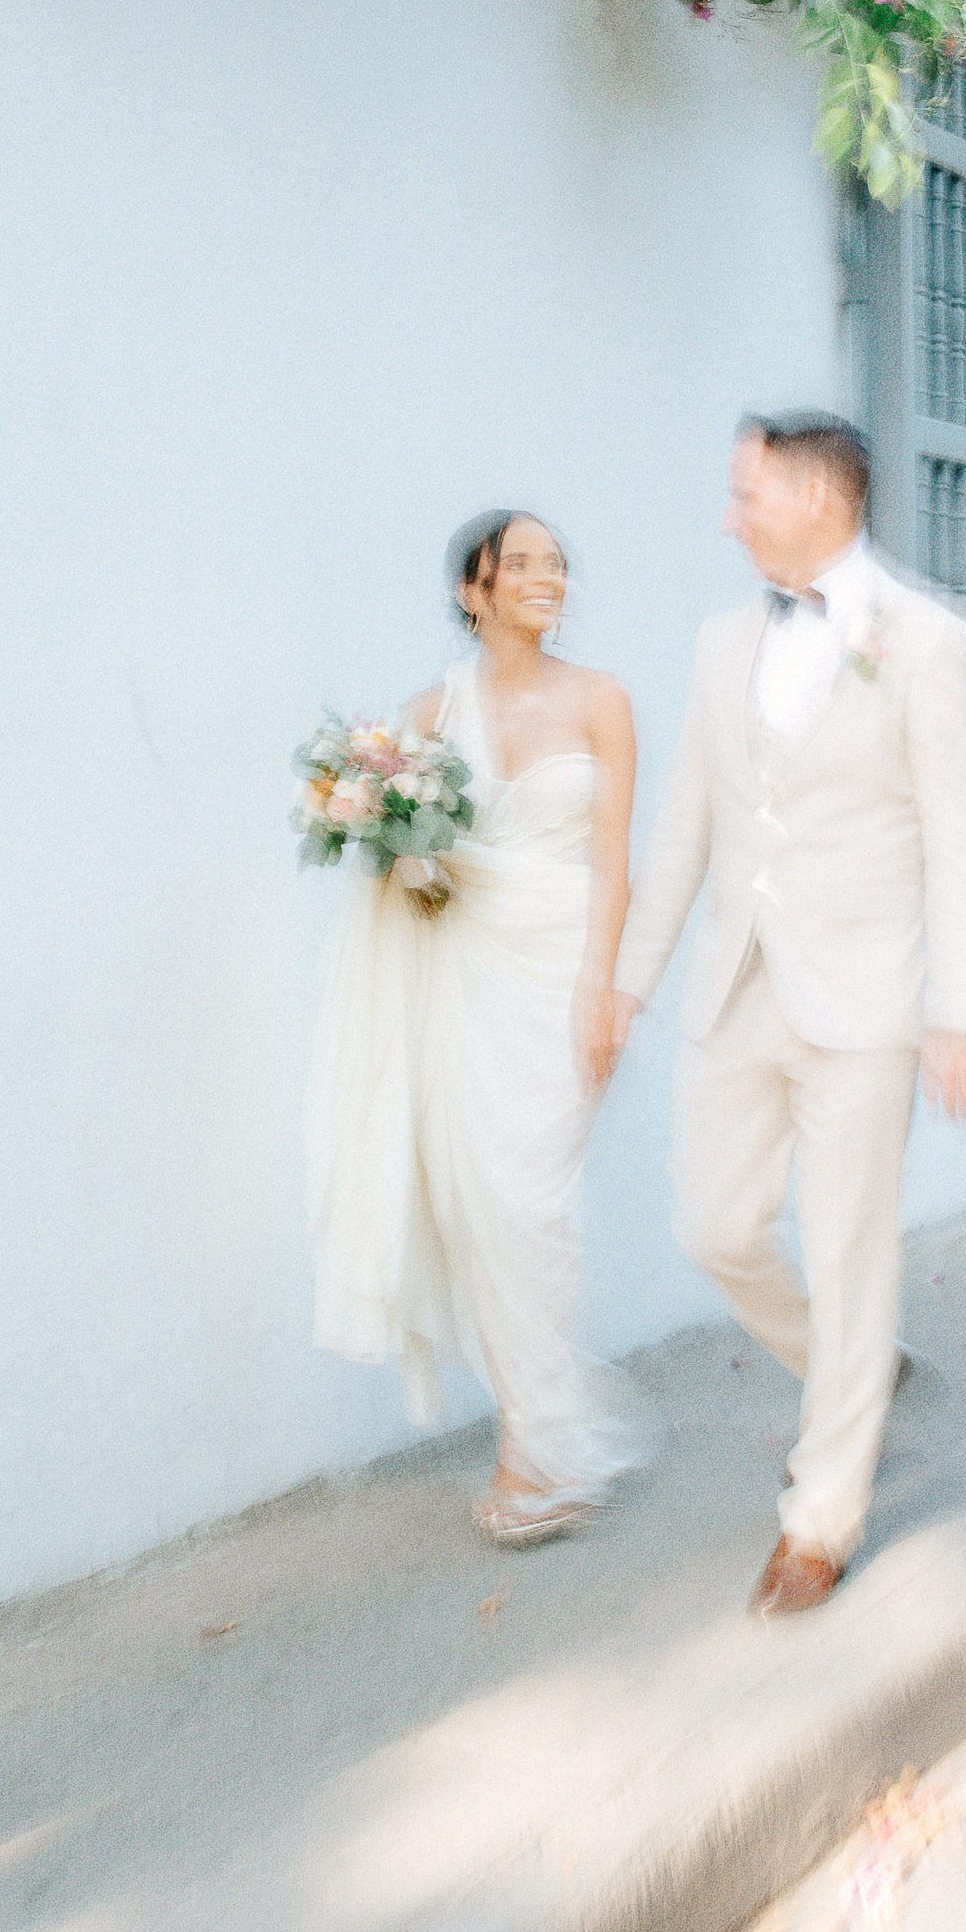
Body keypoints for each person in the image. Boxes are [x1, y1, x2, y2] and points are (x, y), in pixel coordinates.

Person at [611, 413, 966, 1616]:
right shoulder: (721, 641)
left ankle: (821, 1511)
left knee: (844, 1247)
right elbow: (684, 823)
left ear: (823, 495)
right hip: (738, 986)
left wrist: (959, 1011)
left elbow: (959, 841)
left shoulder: (927, 644)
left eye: (748, 495)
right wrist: (627, 979)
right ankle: (852, 1376)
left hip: (866, 1000)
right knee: (711, 1226)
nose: (729, 517)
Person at [308, 512, 646, 1546]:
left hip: (559, 978)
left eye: (559, 564)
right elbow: (376, 827)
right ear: (474, 588)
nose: (549, 578)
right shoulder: (429, 712)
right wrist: (389, 843)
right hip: (462, 983)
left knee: (532, 1207)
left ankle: (551, 1445)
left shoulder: (601, 702)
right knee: (478, 1206)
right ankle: (529, 1449)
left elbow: (613, 863)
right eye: (525, 563)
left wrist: (604, 993)